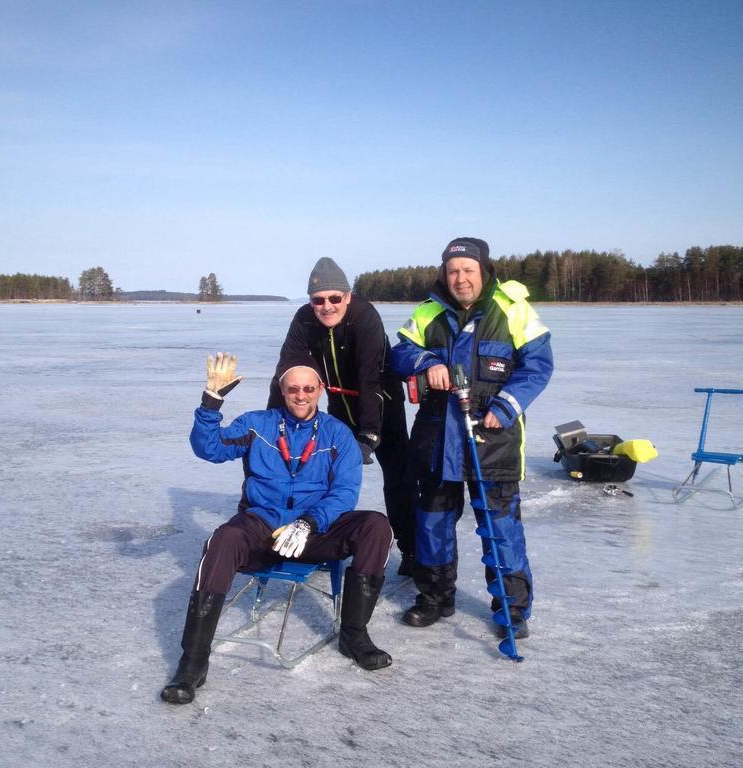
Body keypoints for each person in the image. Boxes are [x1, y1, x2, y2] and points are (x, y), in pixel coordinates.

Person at [161, 354, 393, 705]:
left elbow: (344, 492)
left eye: (308, 389)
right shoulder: (258, 425)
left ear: (320, 391)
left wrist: (309, 521)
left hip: (314, 532)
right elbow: (208, 448)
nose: (301, 396)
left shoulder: (338, 434)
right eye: (293, 389)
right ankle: (193, 663)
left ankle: (354, 635)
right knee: (222, 540)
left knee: (376, 526)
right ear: (282, 392)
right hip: (262, 526)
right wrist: (212, 402)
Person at [390, 237, 553, 638]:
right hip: (437, 441)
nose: (460, 279)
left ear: (483, 271)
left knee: (501, 529)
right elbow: (398, 355)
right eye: (453, 271)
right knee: (432, 524)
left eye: (468, 270)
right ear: (444, 274)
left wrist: (505, 407)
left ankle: (511, 609)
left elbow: (538, 365)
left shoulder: (512, 310)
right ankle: (434, 597)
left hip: (493, 440)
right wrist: (425, 361)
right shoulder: (428, 312)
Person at [267, 257, 416, 575]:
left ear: (347, 296)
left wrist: (368, 435)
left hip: (381, 405)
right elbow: (286, 371)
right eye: (318, 300)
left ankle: (411, 549)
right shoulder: (304, 319)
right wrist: (271, 427)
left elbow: (370, 378)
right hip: (338, 406)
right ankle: (321, 541)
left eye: (335, 298)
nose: (327, 306)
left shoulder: (365, 317)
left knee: (398, 479)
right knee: (325, 477)